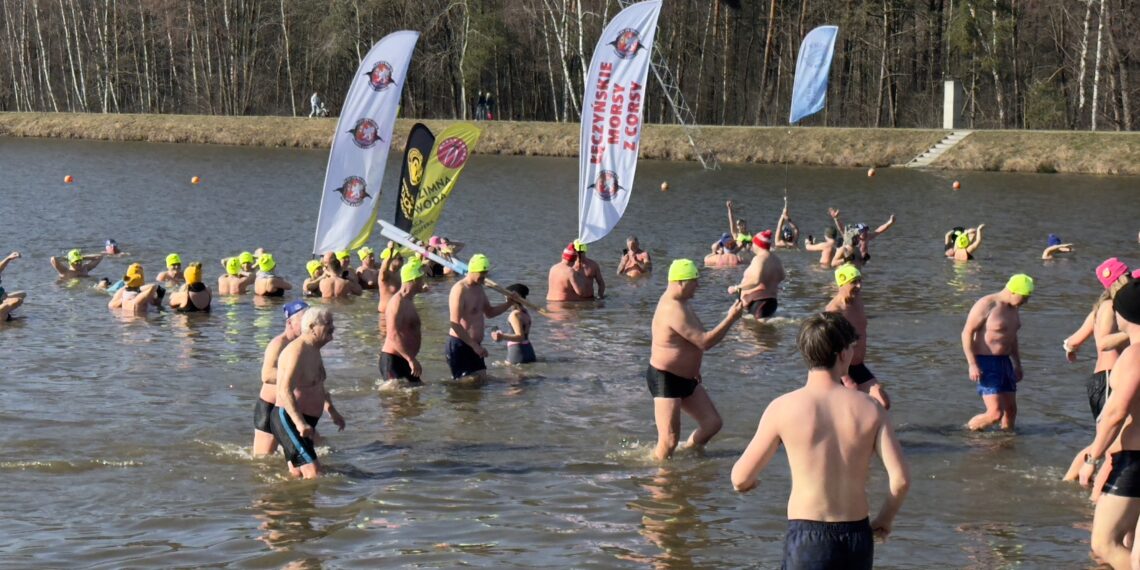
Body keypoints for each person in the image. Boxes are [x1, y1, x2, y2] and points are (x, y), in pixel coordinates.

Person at [731, 312, 909, 570]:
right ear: (842, 354)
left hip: (808, 536)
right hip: (856, 535)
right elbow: (901, 480)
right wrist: (885, 519)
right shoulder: (870, 408)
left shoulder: (783, 408)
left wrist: (750, 483)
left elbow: (740, 478)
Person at [648, 259, 744, 460]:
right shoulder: (672, 308)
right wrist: (731, 319)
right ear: (680, 282)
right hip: (667, 378)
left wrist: (693, 368)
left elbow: (690, 339)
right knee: (669, 440)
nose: (698, 286)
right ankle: (660, 479)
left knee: (712, 423)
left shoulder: (682, 303)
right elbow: (704, 342)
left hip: (687, 378)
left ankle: (688, 454)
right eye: (694, 281)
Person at [1077, 280, 1140, 569]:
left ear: (1125, 315)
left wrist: (1093, 458)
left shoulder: (1134, 356)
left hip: (1134, 461)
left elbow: (1115, 413)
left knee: (1104, 544)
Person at [1063, 259, 1133, 487]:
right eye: (1129, 276)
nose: (1132, 279)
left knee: (1106, 438)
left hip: (1102, 380)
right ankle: (1096, 495)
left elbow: (1073, 340)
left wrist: (1070, 349)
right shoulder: (1111, 307)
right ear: (1120, 280)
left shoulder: (1101, 307)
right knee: (1113, 442)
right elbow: (1103, 343)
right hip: (1108, 380)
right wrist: (1133, 331)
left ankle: (1069, 481)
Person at [270, 307, 346, 479]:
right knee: (315, 473)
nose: (332, 328)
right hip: (288, 419)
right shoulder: (298, 351)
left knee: (297, 475)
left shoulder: (314, 349)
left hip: (305, 421)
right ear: (312, 327)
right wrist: (299, 423)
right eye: (328, 324)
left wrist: (332, 411)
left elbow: (318, 385)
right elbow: (284, 390)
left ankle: (291, 503)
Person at [962, 274, 1034, 431]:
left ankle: (1005, 444)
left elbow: (1012, 338)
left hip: (1005, 362)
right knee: (995, 413)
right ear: (1013, 291)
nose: (1026, 302)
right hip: (986, 362)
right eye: (1024, 297)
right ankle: (967, 431)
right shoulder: (986, 304)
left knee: (1011, 411)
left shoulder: (1014, 308)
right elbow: (966, 333)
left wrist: (1018, 365)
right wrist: (972, 364)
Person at [826, 264, 891, 409]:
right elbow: (830, 349)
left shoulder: (857, 300)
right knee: (854, 406)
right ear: (842, 283)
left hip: (858, 365)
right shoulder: (833, 311)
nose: (859, 286)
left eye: (860, 281)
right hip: (840, 368)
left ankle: (876, 430)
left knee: (883, 402)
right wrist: (845, 378)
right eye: (854, 282)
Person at [446, 254, 517, 381]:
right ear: (472, 270)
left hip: (475, 345)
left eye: (485, 272)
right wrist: (474, 346)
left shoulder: (479, 288)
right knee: (464, 386)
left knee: (481, 382)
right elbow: (454, 323)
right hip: (460, 344)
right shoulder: (460, 289)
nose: (484, 276)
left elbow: (489, 312)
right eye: (481, 273)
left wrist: (509, 303)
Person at [253, 300, 308, 456]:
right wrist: (297, 375)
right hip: (269, 409)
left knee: (318, 447)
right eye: (303, 321)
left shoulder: (303, 344)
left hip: (290, 406)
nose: (307, 325)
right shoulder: (279, 343)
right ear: (290, 322)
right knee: (263, 460)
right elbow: (267, 375)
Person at [380, 259, 427, 386]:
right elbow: (393, 335)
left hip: (404, 359)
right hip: (393, 360)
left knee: (416, 394)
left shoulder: (409, 301)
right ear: (413, 280)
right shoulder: (397, 303)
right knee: (397, 399)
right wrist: (410, 359)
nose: (423, 282)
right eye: (420, 279)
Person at [728, 230, 785, 319]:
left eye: (753, 243)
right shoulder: (776, 259)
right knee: (763, 330)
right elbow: (782, 276)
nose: (752, 246)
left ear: (758, 245)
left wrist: (736, 288)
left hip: (759, 303)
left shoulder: (759, 259)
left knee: (752, 331)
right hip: (772, 302)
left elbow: (755, 281)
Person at [491, 283, 537, 364]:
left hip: (517, 352)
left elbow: (520, 337)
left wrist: (502, 336)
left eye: (506, 296)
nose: (505, 298)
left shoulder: (514, 314)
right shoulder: (525, 312)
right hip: (529, 350)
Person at [377, 244, 404, 313]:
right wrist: (390, 251)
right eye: (399, 258)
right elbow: (384, 269)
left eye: (402, 258)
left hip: (398, 312)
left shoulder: (399, 274)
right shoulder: (385, 275)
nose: (402, 260)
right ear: (391, 259)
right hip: (385, 313)